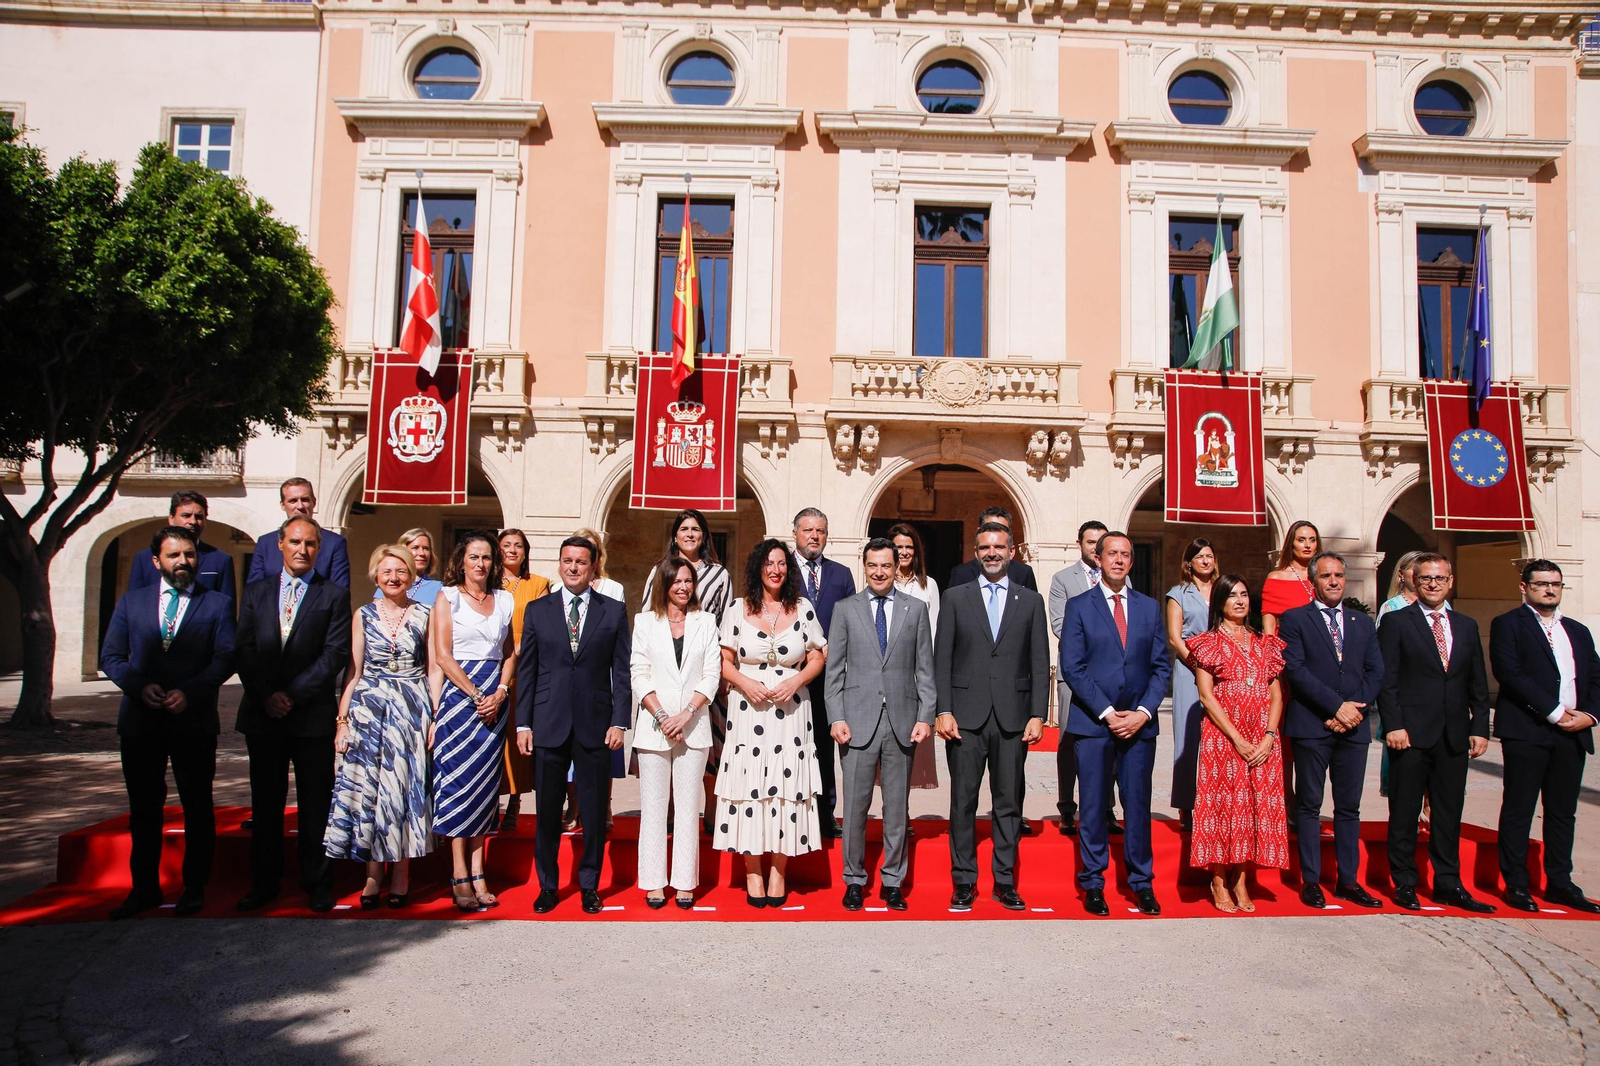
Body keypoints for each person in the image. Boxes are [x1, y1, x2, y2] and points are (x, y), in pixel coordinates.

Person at [99, 526, 236, 919]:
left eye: (189, 555)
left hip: (192, 721)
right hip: (141, 722)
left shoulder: (218, 604)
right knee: (144, 808)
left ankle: (195, 888)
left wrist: (190, 692)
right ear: (156, 561)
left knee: (197, 806)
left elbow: (225, 658)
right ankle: (143, 888)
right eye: (174, 555)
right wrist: (138, 687)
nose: (183, 562)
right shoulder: (132, 603)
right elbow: (112, 657)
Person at [233, 517, 352, 914]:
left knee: (316, 804)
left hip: (311, 716)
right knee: (265, 804)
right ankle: (263, 884)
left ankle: (317, 882)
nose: (303, 549)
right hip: (263, 714)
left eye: (311, 544)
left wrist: (292, 695)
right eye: (295, 542)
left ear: (319, 549)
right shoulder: (255, 592)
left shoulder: (333, 595)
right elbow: (244, 648)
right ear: (280, 545)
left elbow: (334, 654)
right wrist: (267, 695)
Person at [935, 522, 1050, 912]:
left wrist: (1038, 713)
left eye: (999, 546)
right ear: (976, 551)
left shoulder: (1030, 601)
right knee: (963, 803)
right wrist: (943, 710)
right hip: (964, 718)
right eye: (984, 547)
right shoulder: (954, 597)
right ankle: (964, 881)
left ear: (1012, 551)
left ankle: (1005, 881)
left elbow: (1039, 660)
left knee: (1008, 804)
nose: (992, 553)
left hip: (1013, 717)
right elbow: (942, 660)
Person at [517, 535, 632, 915]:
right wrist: (523, 725)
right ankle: (548, 885)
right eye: (567, 560)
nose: (573, 567)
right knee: (548, 812)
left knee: (595, 813)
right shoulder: (538, 610)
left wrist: (620, 721)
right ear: (559, 563)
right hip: (548, 722)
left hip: (596, 724)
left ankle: (589, 885)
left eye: (581, 562)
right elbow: (528, 671)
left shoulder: (612, 611)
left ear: (592, 565)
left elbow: (622, 671)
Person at [1059, 531, 1172, 917]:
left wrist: (1143, 712)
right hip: (1094, 724)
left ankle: (1141, 882)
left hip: (1139, 726)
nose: (1119, 560)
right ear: (1098, 558)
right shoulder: (1079, 606)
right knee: (1091, 806)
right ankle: (1093, 883)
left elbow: (1160, 668)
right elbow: (1073, 667)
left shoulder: (1149, 608)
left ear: (1132, 561)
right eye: (1112, 553)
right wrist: (1108, 713)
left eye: (1126, 554)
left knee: (1137, 806)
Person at [1378, 553, 1494, 912]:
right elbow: (1387, 680)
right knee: (1405, 812)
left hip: (1454, 736)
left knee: (1448, 812)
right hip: (1409, 734)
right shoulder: (1397, 622)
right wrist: (1393, 725)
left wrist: (1479, 728)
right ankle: (1405, 882)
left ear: (1450, 581)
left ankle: (1448, 882)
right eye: (1426, 578)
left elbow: (1478, 683)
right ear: (1414, 578)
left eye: (1439, 578)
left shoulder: (1466, 626)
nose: (1432, 584)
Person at [717, 538, 829, 906]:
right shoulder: (737, 609)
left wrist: (796, 680)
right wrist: (746, 682)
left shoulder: (804, 608)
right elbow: (723, 661)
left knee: (784, 788)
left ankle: (779, 870)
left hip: (792, 714)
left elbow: (818, 655)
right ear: (757, 568)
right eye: (769, 563)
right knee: (751, 787)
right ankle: (752, 870)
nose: (776, 569)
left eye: (782, 563)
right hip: (748, 713)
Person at [827, 538, 937, 911]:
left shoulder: (916, 609)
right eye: (872, 565)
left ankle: (893, 881)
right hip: (856, 722)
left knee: (896, 808)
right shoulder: (845, 609)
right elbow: (834, 671)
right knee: (855, 808)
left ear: (897, 568)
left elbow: (925, 669)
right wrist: (836, 716)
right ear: (864, 566)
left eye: (886, 566)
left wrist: (926, 716)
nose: (878, 572)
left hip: (902, 722)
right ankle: (854, 880)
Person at [325, 545, 435, 909]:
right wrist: (342, 721)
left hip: (409, 709)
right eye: (386, 571)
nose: (393, 577)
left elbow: (433, 669)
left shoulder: (424, 613)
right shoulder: (362, 614)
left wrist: (431, 715)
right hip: (369, 709)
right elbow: (352, 672)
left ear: (411, 575)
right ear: (375, 574)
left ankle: (401, 875)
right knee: (371, 792)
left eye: (400, 570)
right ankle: (373, 875)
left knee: (401, 791)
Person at [1489, 560, 1600, 914]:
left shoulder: (1579, 631)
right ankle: (1517, 884)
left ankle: (1560, 882)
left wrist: (1589, 715)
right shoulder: (1508, 624)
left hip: (1573, 734)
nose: (1549, 589)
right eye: (1541, 584)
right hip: (1528, 730)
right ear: (1524, 587)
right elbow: (1510, 673)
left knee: (1563, 812)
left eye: (1555, 584)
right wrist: (1553, 712)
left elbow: (1596, 677)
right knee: (1519, 809)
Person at [1279, 552, 1385, 910]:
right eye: (1326, 576)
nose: (1335, 581)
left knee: (1349, 808)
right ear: (1314, 581)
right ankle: (1311, 880)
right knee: (1309, 806)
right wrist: (1334, 707)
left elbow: (1376, 672)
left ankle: (1348, 881)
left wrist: (1352, 709)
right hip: (1312, 725)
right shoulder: (1295, 620)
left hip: (1353, 729)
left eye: (1339, 575)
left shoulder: (1362, 622)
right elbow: (1295, 670)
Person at [1185, 574, 1288, 913]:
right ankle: (1217, 878)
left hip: (1262, 737)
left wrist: (1270, 735)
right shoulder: (1207, 642)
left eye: (1244, 595)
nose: (1240, 601)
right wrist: (1237, 738)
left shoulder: (1265, 643)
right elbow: (1206, 695)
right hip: (1223, 737)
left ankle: (1242, 879)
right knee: (1222, 807)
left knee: (1254, 807)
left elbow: (1276, 694)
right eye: (1232, 596)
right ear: (1220, 603)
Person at [430, 532, 517, 913]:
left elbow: (511, 652)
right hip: (459, 699)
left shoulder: (505, 599)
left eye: (485, 557)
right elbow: (443, 656)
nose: (480, 564)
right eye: (473, 557)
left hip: (495, 702)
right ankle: (459, 872)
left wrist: (500, 690)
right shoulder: (446, 597)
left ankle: (480, 872)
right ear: (461, 561)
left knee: (485, 788)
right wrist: (476, 695)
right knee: (457, 784)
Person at [630, 557, 720, 909]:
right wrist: (664, 715)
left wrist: (686, 714)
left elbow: (712, 673)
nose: (683, 587)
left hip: (693, 726)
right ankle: (653, 882)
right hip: (655, 727)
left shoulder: (706, 622)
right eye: (676, 581)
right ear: (663, 584)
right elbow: (639, 673)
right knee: (653, 808)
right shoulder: (645, 622)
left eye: (688, 580)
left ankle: (684, 882)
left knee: (687, 809)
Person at [637, 509, 733, 835]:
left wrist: (719, 674)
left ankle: (709, 814)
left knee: (708, 745)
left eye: (696, 529)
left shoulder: (719, 575)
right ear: (675, 534)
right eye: (684, 528)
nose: (690, 534)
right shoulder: (659, 571)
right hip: (664, 672)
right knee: (664, 748)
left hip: (704, 673)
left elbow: (726, 623)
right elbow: (648, 616)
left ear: (704, 535)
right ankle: (669, 813)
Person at [791, 507, 856, 838]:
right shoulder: (780, 568)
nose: (813, 536)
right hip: (788, 674)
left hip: (830, 676)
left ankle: (825, 813)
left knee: (824, 746)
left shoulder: (842, 574)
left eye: (820, 531)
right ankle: (790, 812)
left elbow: (851, 619)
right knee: (789, 745)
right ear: (795, 534)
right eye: (807, 530)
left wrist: (835, 648)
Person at [1048, 520, 1113, 836]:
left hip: (1111, 676)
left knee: (1109, 740)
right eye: (1090, 542)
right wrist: (1102, 643)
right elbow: (1060, 626)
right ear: (1080, 544)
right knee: (1068, 741)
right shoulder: (1063, 580)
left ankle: (1107, 809)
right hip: (1073, 675)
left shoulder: (1116, 579)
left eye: (1101, 542)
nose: (1096, 547)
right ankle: (1066, 808)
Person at [498, 527, 551, 830]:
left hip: (527, 664)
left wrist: (524, 646)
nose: (513, 550)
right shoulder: (488, 584)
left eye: (519, 545)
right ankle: (492, 800)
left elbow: (543, 623)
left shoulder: (539, 584)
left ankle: (515, 802)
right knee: (495, 739)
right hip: (494, 665)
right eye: (507, 545)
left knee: (519, 732)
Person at [1165, 539, 1217, 827]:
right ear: (1189, 563)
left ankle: (1215, 803)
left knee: (1219, 739)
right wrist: (1199, 667)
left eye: (1209, 556)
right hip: (1190, 669)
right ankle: (1186, 806)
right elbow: (1175, 637)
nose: (1206, 561)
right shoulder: (1178, 594)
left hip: (1222, 669)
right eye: (1199, 557)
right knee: (1188, 739)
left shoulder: (1224, 590)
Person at [886, 522, 940, 791]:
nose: (904, 552)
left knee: (911, 747)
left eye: (909, 547)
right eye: (898, 546)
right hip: (886, 674)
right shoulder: (881, 582)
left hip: (916, 677)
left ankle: (902, 811)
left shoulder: (928, 585)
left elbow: (934, 631)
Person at [127, 490, 236, 603]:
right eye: (186, 515)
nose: (193, 521)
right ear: (171, 519)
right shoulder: (144, 558)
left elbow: (227, 609)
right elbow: (134, 603)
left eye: (199, 517)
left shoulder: (220, 560)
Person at [246, 477, 351, 589]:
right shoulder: (265, 543)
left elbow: (340, 592)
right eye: (293, 501)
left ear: (314, 502)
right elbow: (254, 591)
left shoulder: (334, 543)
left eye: (305, 500)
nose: (300, 506)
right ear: (283, 505)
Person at [947, 506, 1038, 591]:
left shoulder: (1024, 573)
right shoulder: (961, 573)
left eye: (1001, 529)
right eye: (990, 528)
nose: (995, 533)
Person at [1260, 520, 1321, 635]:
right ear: (1291, 544)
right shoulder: (1276, 578)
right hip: (1289, 645)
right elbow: (1269, 625)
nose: (1307, 545)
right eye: (1301, 540)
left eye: (1312, 540)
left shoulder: (1324, 576)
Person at [371, 528, 443, 607]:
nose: (422, 553)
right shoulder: (390, 584)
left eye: (426, 548)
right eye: (415, 548)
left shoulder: (439, 588)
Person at [575, 526, 624, 603]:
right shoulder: (558, 589)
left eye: (591, 549)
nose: (586, 554)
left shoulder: (614, 589)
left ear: (599, 555)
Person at [1377, 550, 1424, 622]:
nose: (1420, 574)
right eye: (1415, 569)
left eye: (1423, 571)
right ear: (1401, 573)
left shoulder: (1441, 605)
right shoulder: (1390, 607)